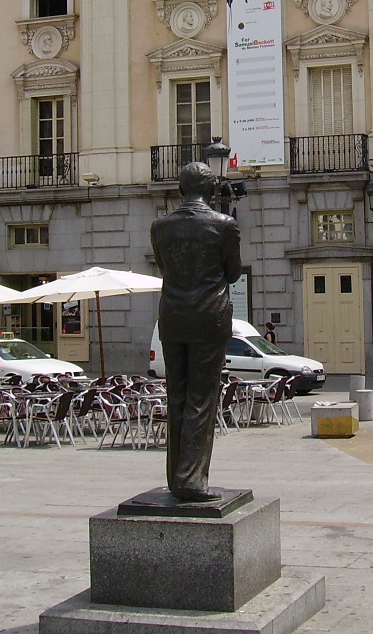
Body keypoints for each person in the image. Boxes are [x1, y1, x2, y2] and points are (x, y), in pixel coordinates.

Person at [150, 161, 242, 503]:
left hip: (172, 315)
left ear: (181, 189)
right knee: (202, 397)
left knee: (177, 394)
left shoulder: (160, 227)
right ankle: (191, 480)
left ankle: (177, 476)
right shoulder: (224, 225)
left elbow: (164, 268)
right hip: (208, 316)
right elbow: (232, 273)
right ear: (212, 188)